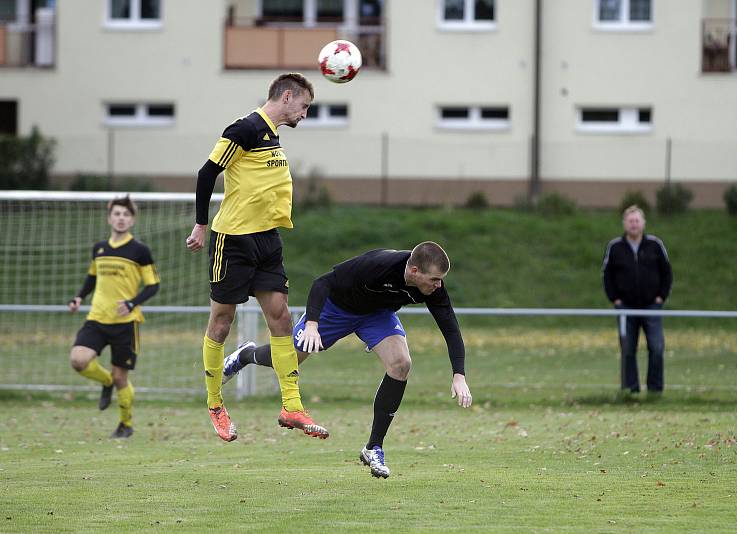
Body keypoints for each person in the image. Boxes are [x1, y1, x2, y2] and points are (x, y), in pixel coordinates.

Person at [221, 242, 473, 478]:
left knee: (401, 364)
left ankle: (373, 448)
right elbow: (322, 283)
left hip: (376, 316)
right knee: (288, 360)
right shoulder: (378, 265)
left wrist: (458, 375)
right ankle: (246, 354)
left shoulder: (433, 288)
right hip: (336, 309)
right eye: (434, 280)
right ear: (415, 270)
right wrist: (312, 323)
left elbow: (450, 326)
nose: (438, 286)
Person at [185, 72, 327, 443]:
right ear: (288, 96)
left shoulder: (273, 136)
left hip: (267, 240)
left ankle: (292, 405)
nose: (305, 114)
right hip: (232, 241)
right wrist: (201, 226)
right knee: (221, 322)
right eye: (305, 106)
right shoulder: (245, 128)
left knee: (281, 318)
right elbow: (207, 172)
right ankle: (215, 404)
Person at [68, 195, 160, 438]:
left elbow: (153, 286)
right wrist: (79, 297)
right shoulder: (99, 248)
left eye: (126, 215)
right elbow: (92, 277)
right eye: (117, 214)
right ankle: (106, 381)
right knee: (78, 360)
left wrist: (132, 303)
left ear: (132, 220)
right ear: (109, 218)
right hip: (97, 318)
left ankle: (125, 425)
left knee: (122, 377)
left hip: (126, 324)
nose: (121, 218)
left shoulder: (140, 251)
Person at [602, 205, 672, 396]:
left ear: (643, 223)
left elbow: (667, 273)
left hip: (651, 306)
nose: (634, 224)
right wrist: (615, 299)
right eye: (630, 221)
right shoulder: (615, 247)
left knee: (657, 347)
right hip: (625, 307)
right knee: (627, 348)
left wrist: (660, 298)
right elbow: (607, 276)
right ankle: (630, 389)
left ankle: (655, 389)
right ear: (624, 224)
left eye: (637, 220)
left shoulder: (655, 245)